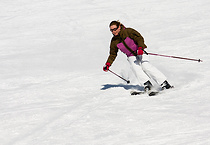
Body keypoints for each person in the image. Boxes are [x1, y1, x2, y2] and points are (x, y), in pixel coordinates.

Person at [103, 20, 172, 93]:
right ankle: (147, 84)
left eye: (115, 29)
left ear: (119, 27)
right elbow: (113, 54)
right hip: (131, 55)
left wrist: (140, 48)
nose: (113, 31)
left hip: (140, 51)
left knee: (145, 66)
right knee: (135, 68)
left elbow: (139, 38)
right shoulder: (114, 41)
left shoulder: (128, 31)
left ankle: (164, 83)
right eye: (111, 30)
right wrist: (108, 64)